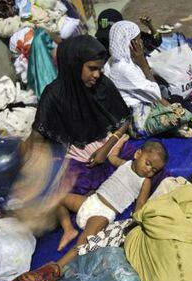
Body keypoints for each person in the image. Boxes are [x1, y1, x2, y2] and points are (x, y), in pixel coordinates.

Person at [26, 35, 131, 193]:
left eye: (99, 69)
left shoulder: (102, 85)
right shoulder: (54, 95)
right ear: (74, 65)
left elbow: (124, 120)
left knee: (139, 169)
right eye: (92, 68)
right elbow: (38, 135)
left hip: (109, 144)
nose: (96, 75)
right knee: (70, 189)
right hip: (75, 154)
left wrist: (105, 149)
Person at [55, 137, 167, 267]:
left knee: (83, 243)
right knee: (58, 199)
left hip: (103, 213)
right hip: (91, 200)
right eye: (148, 163)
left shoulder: (145, 181)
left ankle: (57, 266)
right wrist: (120, 142)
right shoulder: (125, 164)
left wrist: (134, 222)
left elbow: (141, 203)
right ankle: (68, 229)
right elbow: (112, 157)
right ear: (137, 154)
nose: (149, 170)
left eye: (154, 170)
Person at [104, 20, 192, 138]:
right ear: (129, 43)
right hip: (137, 121)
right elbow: (156, 95)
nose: (141, 42)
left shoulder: (113, 60)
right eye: (138, 39)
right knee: (185, 117)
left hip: (139, 106)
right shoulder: (124, 68)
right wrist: (143, 63)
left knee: (177, 100)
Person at [95, 8, 162, 55]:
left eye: (113, 34)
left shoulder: (131, 38)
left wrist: (150, 26)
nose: (110, 39)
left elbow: (157, 41)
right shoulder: (98, 47)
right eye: (105, 35)